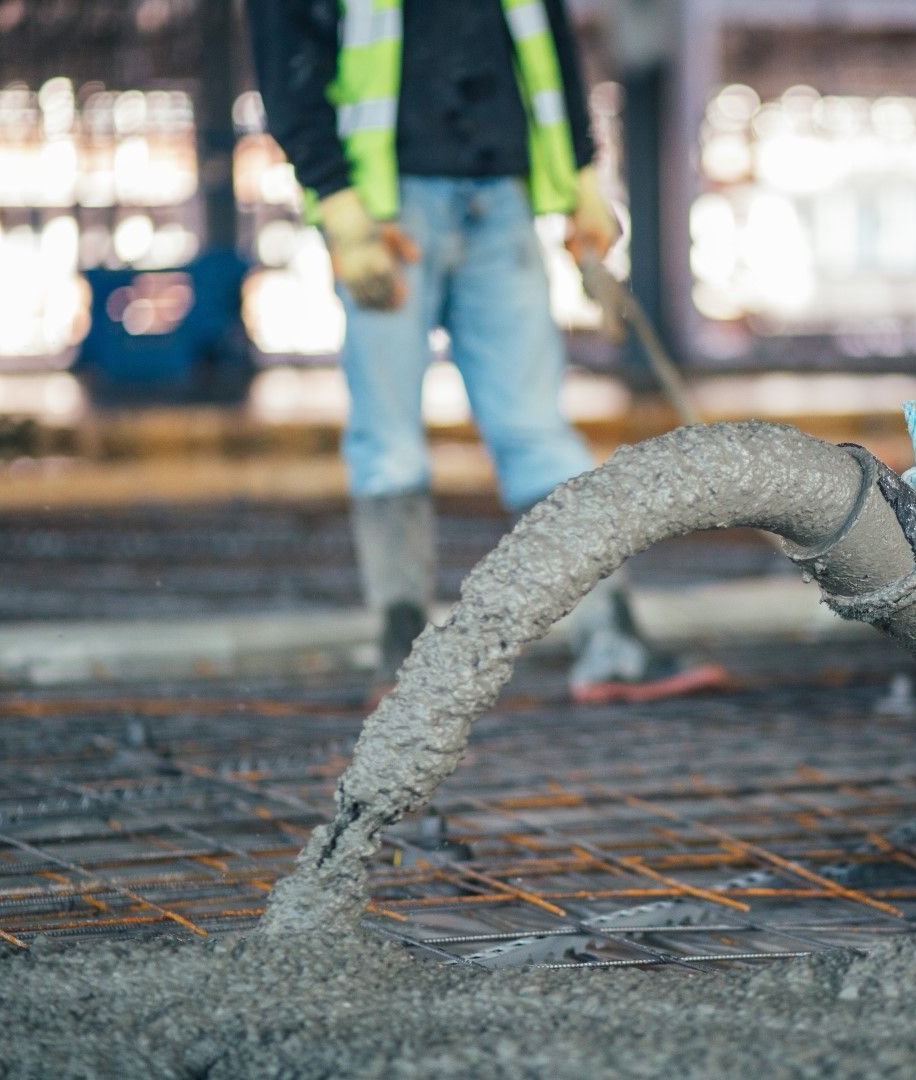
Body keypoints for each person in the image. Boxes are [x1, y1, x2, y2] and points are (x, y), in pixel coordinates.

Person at [249, 0, 727, 704]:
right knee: (389, 437)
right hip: (386, 211)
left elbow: (546, 36)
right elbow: (284, 48)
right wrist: (336, 200)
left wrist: (581, 176)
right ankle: (403, 657)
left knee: (537, 432)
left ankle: (611, 641)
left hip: (500, 195)